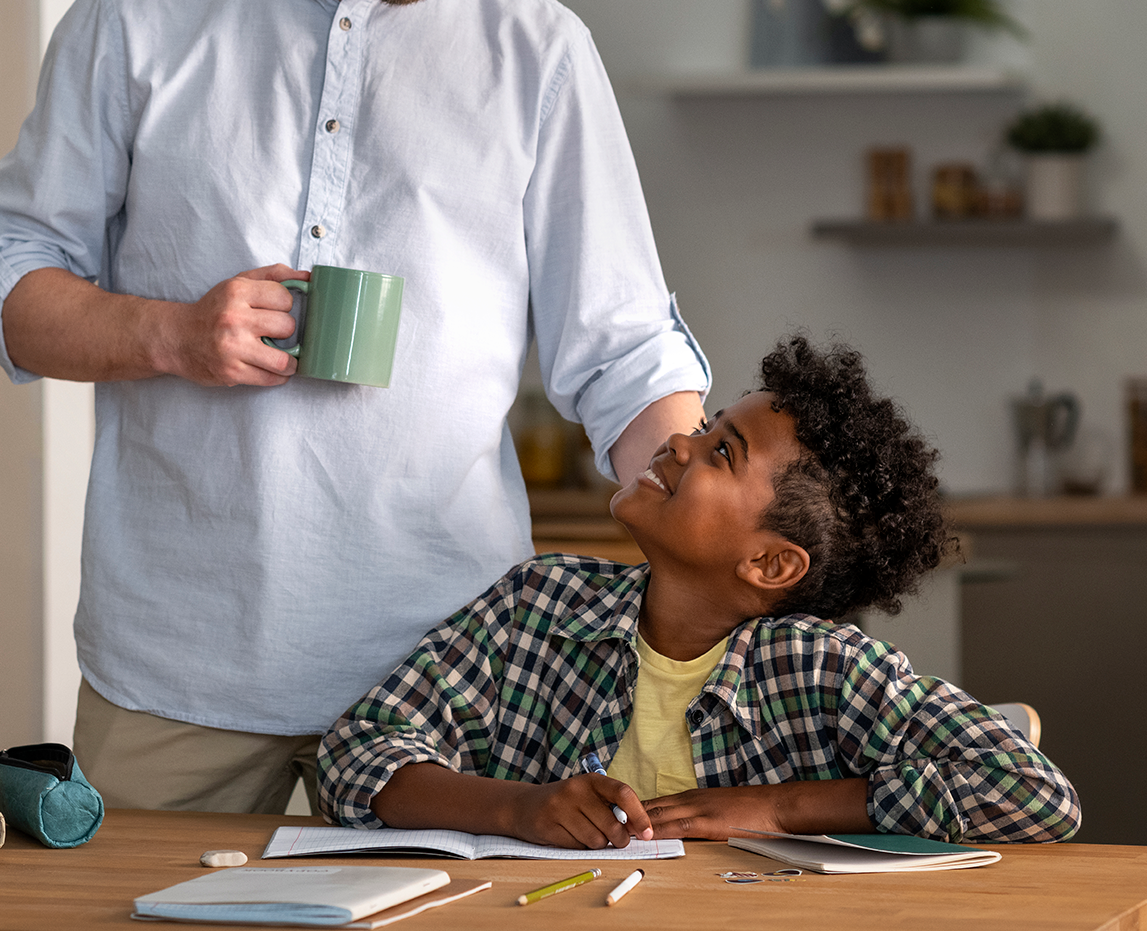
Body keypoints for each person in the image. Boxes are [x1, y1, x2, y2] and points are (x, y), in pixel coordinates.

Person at [0, 0, 708, 814]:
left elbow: (626, 346)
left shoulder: (541, 50)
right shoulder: (135, 22)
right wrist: (169, 331)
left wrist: (707, 517)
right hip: (179, 660)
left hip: (459, 671)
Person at [318, 335, 1081, 845]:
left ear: (771, 565)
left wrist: (780, 808)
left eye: (720, 452)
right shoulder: (538, 606)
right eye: (706, 426)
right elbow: (357, 752)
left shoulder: (825, 670)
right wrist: (517, 807)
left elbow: (1030, 791)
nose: (679, 441)